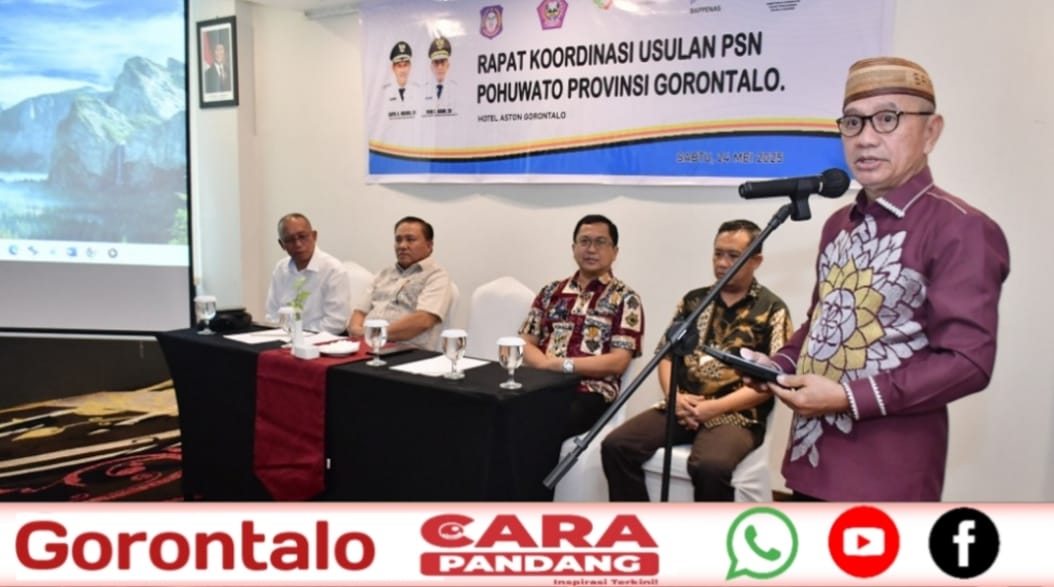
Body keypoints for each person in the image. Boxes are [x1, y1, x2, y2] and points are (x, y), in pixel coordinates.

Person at [740, 56, 1010, 501]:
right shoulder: (838, 225)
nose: (865, 139)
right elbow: (822, 322)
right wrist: (778, 365)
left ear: (931, 131)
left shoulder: (962, 228)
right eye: (852, 122)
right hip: (811, 460)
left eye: (887, 119)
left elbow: (967, 361)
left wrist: (848, 397)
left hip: (887, 475)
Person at [601, 220, 793, 501]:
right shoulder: (694, 301)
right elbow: (666, 356)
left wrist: (713, 408)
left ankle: (708, 529)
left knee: (709, 466)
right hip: (682, 404)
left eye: (733, 255)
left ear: (756, 261)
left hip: (736, 415)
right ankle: (639, 521)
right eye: (718, 254)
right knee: (616, 446)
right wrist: (674, 397)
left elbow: (772, 382)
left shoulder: (772, 309)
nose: (722, 263)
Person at [520, 214, 645, 439]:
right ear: (573, 248)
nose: (591, 249)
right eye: (585, 241)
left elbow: (619, 361)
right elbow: (525, 341)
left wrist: (564, 366)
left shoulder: (626, 298)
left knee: (543, 423)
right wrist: (545, 365)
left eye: (600, 242)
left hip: (589, 391)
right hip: (541, 382)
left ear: (615, 252)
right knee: (498, 411)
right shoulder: (551, 291)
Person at [348, 216, 452, 349]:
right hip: (365, 344)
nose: (402, 246)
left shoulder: (436, 276)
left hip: (405, 350)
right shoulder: (383, 274)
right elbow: (360, 312)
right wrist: (355, 331)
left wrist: (372, 334)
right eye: (398, 240)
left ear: (429, 245)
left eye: (410, 239)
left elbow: (423, 320)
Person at [265, 213, 351, 335]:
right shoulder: (280, 269)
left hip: (320, 340)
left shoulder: (333, 270)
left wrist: (299, 335)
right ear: (282, 244)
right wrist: (284, 334)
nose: (298, 244)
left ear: (314, 236)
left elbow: (335, 323)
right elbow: (272, 314)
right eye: (290, 240)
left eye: (302, 236)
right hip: (284, 338)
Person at [423, 36, 456, 116]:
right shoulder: (423, 91)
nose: (439, 67)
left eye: (442, 62)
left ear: (448, 65)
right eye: (436, 63)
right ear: (431, 66)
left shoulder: (456, 89)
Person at [382, 41, 417, 113]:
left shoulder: (418, 90)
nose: (403, 70)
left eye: (405, 65)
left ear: (410, 66)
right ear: (393, 68)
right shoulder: (385, 92)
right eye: (399, 66)